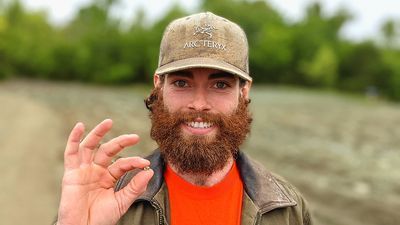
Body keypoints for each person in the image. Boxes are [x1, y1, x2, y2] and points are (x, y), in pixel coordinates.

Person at [55, 12, 312, 225]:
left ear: (244, 92)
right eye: (181, 82)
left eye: (220, 85)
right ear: (158, 86)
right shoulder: (114, 199)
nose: (199, 104)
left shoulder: (288, 210)